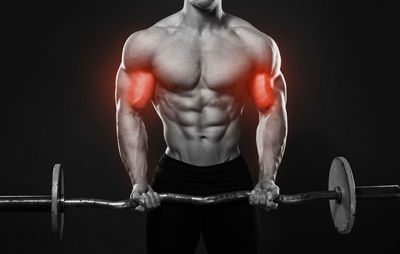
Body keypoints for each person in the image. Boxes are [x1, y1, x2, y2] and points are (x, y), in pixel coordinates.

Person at [115, 0, 287, 253]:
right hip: (174, 179)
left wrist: (267, 179)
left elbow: (272, 110)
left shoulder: (255, 45)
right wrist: (139, 181)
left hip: (231, 178)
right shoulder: (147, 44)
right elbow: (129, 111)